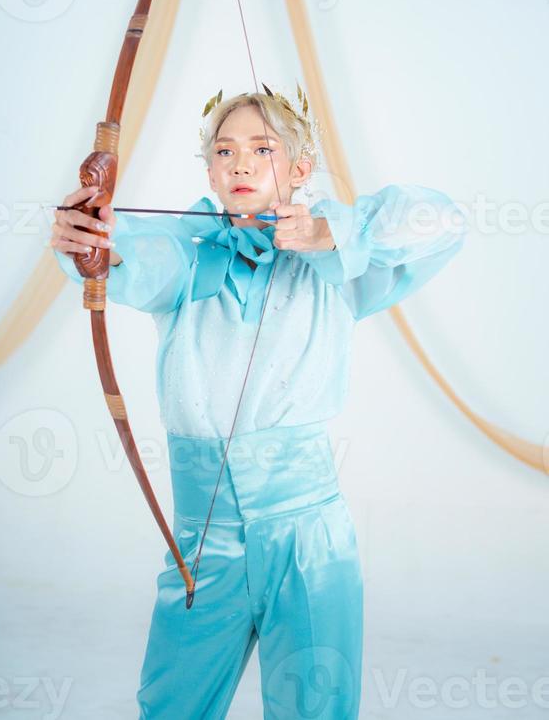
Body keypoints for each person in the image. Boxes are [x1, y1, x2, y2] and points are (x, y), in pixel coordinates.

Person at [51, 88, 468, 719]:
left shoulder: (337, 264)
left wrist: (334, 232)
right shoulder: (190, 255)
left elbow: (443, 220)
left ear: (300, 170)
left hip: (307, 536)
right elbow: (128, 251)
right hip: (202, 538)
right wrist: (88, 237)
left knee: (315, 705)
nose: (241, 165)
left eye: (263, 149)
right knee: (170, 703)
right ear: (211, 172)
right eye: (225, 152)